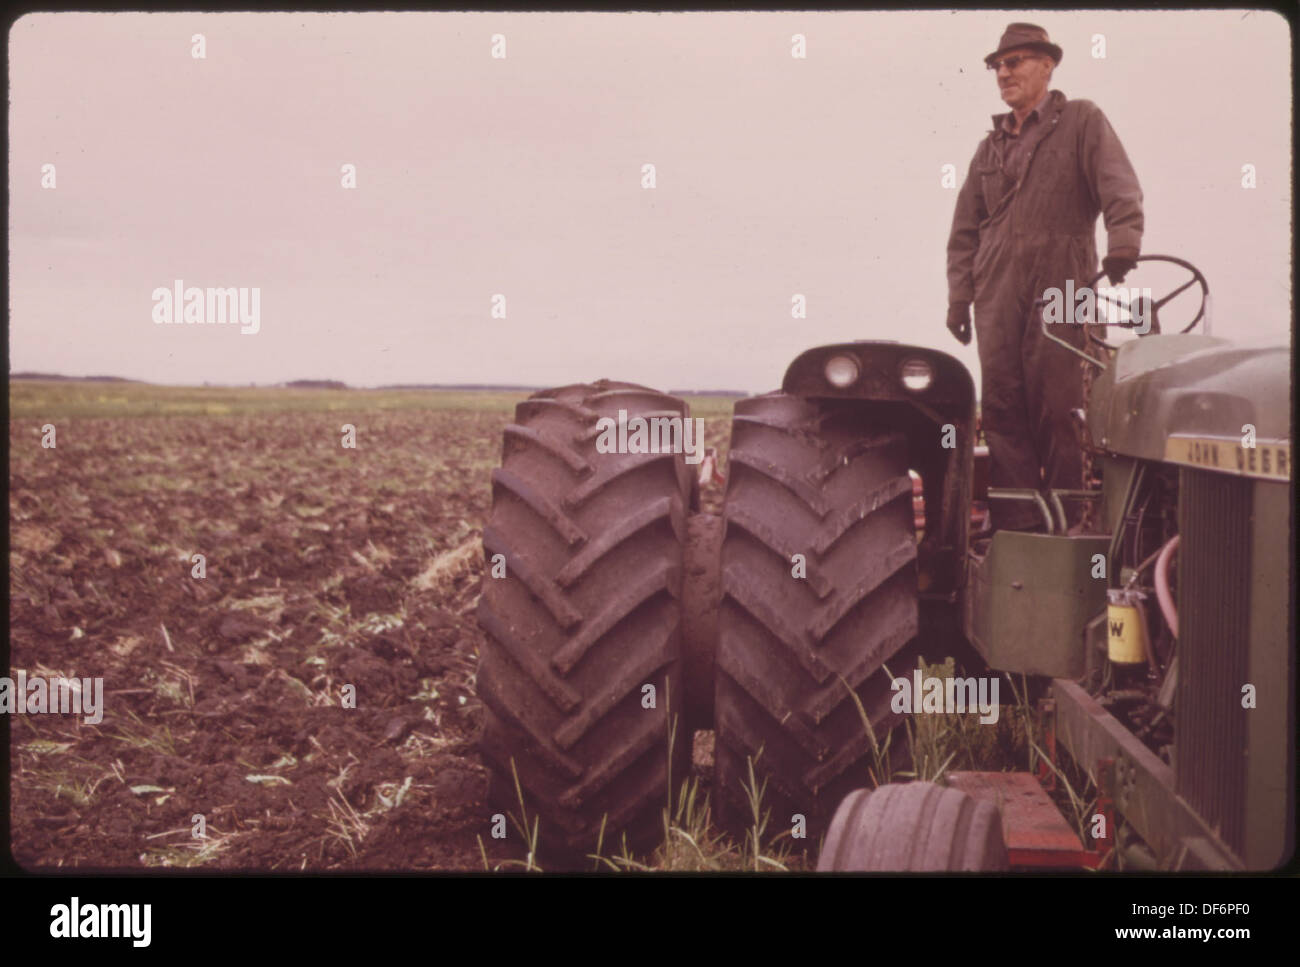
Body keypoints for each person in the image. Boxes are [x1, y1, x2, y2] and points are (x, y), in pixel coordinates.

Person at [945, 23, 1143, 531]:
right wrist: (959, 298)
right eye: (997, 66)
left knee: (1061, 407)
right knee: (1003, 407)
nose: (1004, 73)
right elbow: (965, 230)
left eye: (1015, 62)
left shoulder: (1081, 120)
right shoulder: (988, 150)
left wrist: (1124, 242)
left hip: (1067, 285)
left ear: (1048, 65)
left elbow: (1118, 183)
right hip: (995, 293)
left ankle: (1069, 527)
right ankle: (1018, 531)